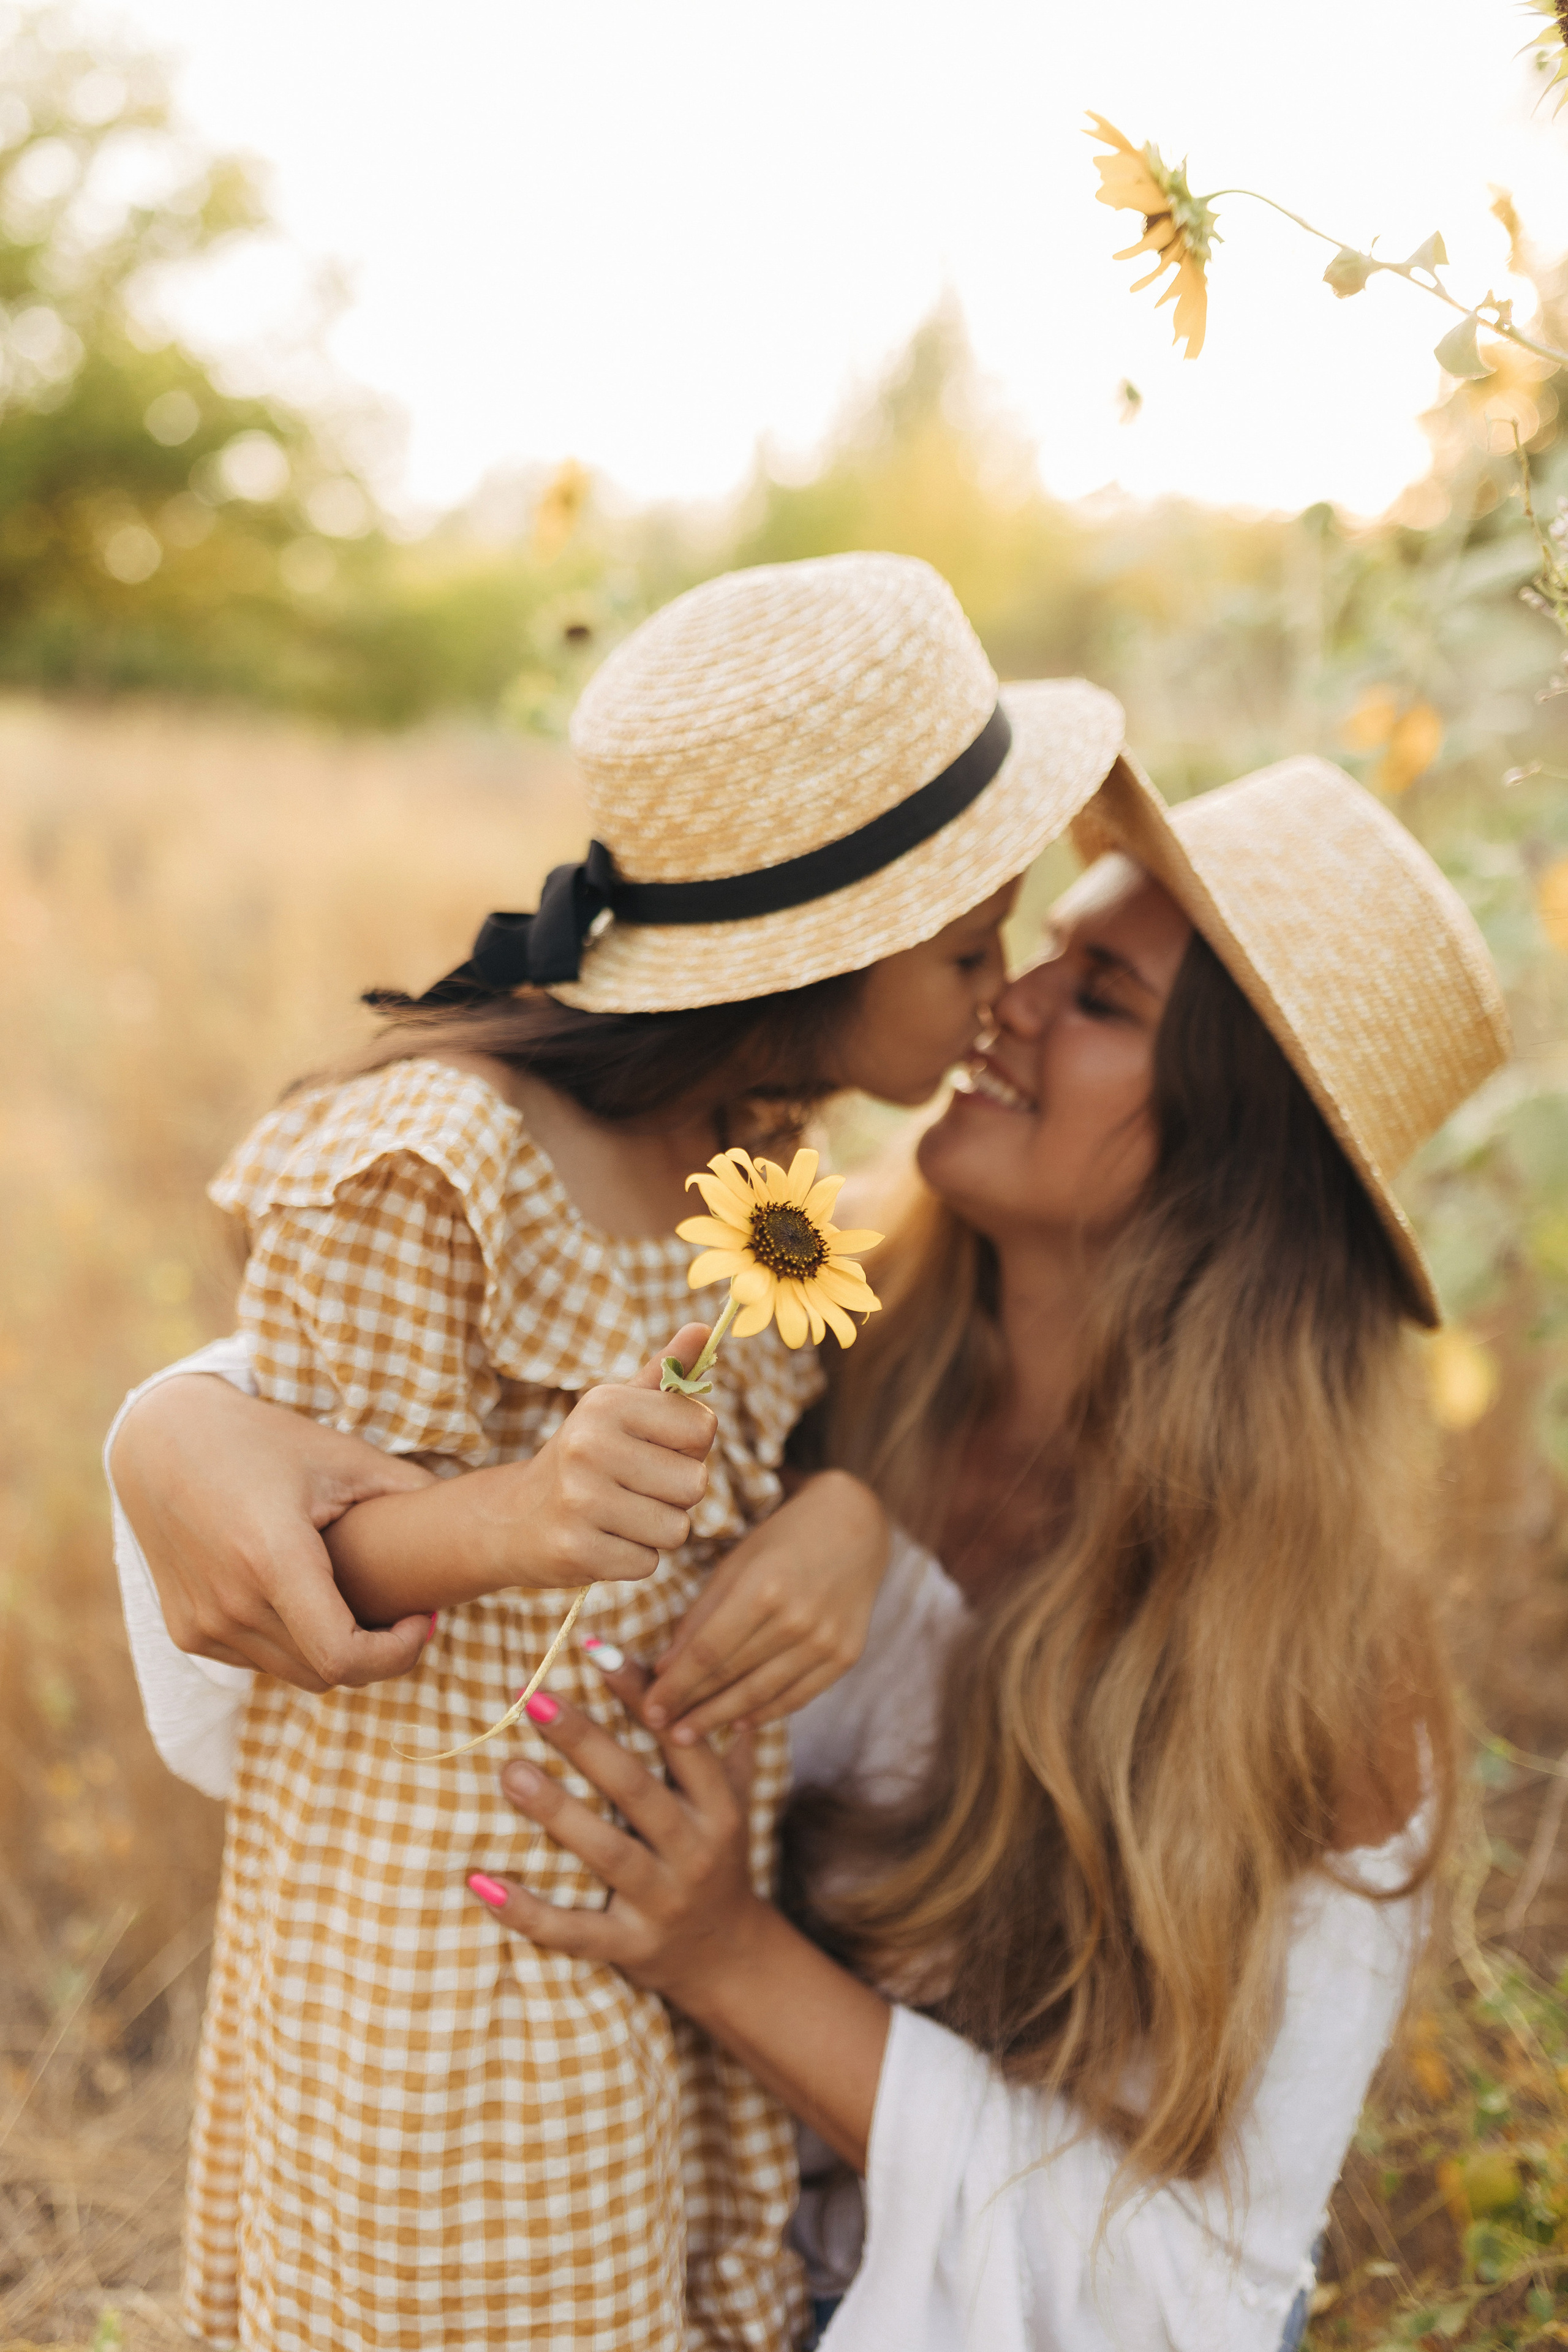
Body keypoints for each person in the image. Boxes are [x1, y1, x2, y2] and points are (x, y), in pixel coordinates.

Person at [105, 550, 1126, 2352]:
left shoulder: (762, 1173)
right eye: (971, 948)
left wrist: (838, 1498)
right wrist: (523, 1515)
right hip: (444, 1956)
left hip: (639, 1925)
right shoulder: (446, 1163)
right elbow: (305, 1583)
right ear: (829, 951)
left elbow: (789, 1450)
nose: (1002, 987)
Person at [453, 752, 1511, 2350]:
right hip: (673, 2234)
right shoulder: (812, 1315)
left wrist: (728, 1955)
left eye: (1097, 999)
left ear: (1238, 1151)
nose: (1002, 1003)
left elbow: (1192, 2286)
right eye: (1041, 954)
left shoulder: (1320, 1668)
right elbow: (459, 1374)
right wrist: (180, 1437)